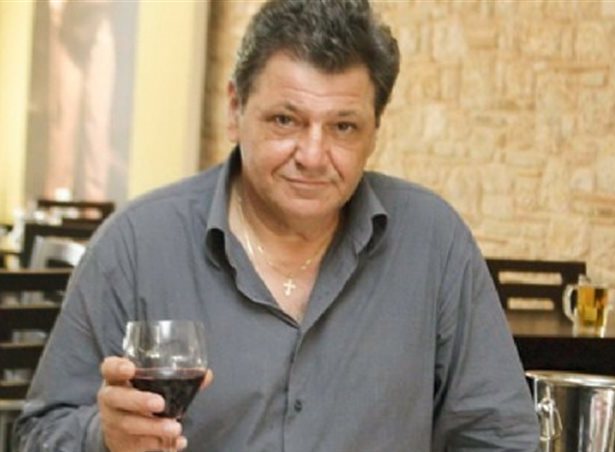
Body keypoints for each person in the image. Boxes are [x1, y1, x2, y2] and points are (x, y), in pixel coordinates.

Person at [14, 0, 540, 450]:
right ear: (235, 110)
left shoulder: (434, 244)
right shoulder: (136, 246)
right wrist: (103, 437)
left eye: (343, 127)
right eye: (285, 120)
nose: (312, 155)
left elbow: (499, 436)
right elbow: (37, 434)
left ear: (375, 131)